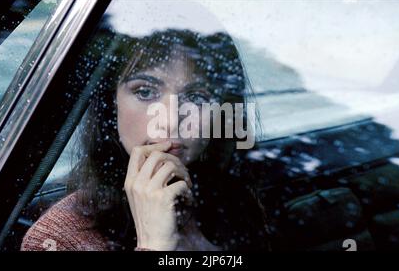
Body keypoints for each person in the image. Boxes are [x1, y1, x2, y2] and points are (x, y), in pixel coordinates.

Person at [20, 25, 270, 251]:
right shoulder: (59, 238)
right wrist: (154, 246)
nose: (171, 120)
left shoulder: (235, 202)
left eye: (196, 97)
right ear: (111, 103)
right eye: (145, 91)